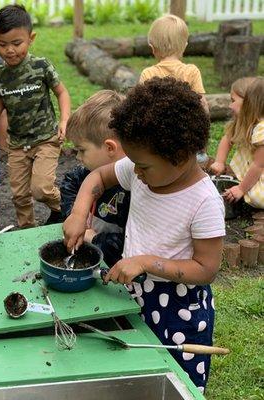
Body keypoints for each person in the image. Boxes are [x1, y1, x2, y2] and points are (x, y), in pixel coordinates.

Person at [63, 77, 225, 392]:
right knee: (134, 372)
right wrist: (78, 213)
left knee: (173, 379)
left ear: (178, 156)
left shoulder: (203, 202)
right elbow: (97, 177)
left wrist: (146, 262)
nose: (134, 171)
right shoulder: (144, 170)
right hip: (136, 292)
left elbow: (206, 269)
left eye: (143, 166)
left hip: (179, 310)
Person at [0, 4, 71, 228]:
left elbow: (62, 92)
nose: (9, 50)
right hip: (17, 144)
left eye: (16, 43)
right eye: (2, 44)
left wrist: (65, 120)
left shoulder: (40, 66)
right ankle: (27, 231)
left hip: (46, 138)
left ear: (31, 38)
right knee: (19, 196)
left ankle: (65, 207)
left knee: (41, 189)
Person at [61, 90, 128, 267]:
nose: (78, 157)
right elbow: (69, 183)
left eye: (82, 150)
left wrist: (92, 236)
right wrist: (75, 217)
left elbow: (126, 246)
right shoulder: (87, 172)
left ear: (109, 148)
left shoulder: (134, 187)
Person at [139, 13, 209, 164]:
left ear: (152, 48)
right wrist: (202, 141)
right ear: (184, 46)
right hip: (187, 136)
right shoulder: (191, 71)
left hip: (157, 137)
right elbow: (203, 106)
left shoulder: (148, 73)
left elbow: (140, 108)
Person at [209, 77, 264, 209]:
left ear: (249, 103)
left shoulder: (262, 129)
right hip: (252, 170)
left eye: (233, 101)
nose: (229, 105)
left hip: (259, 171)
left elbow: (259, 165)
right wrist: (219, 162)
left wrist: (241, 188)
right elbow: (227, 139)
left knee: (257, 198)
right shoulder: (244, 121)